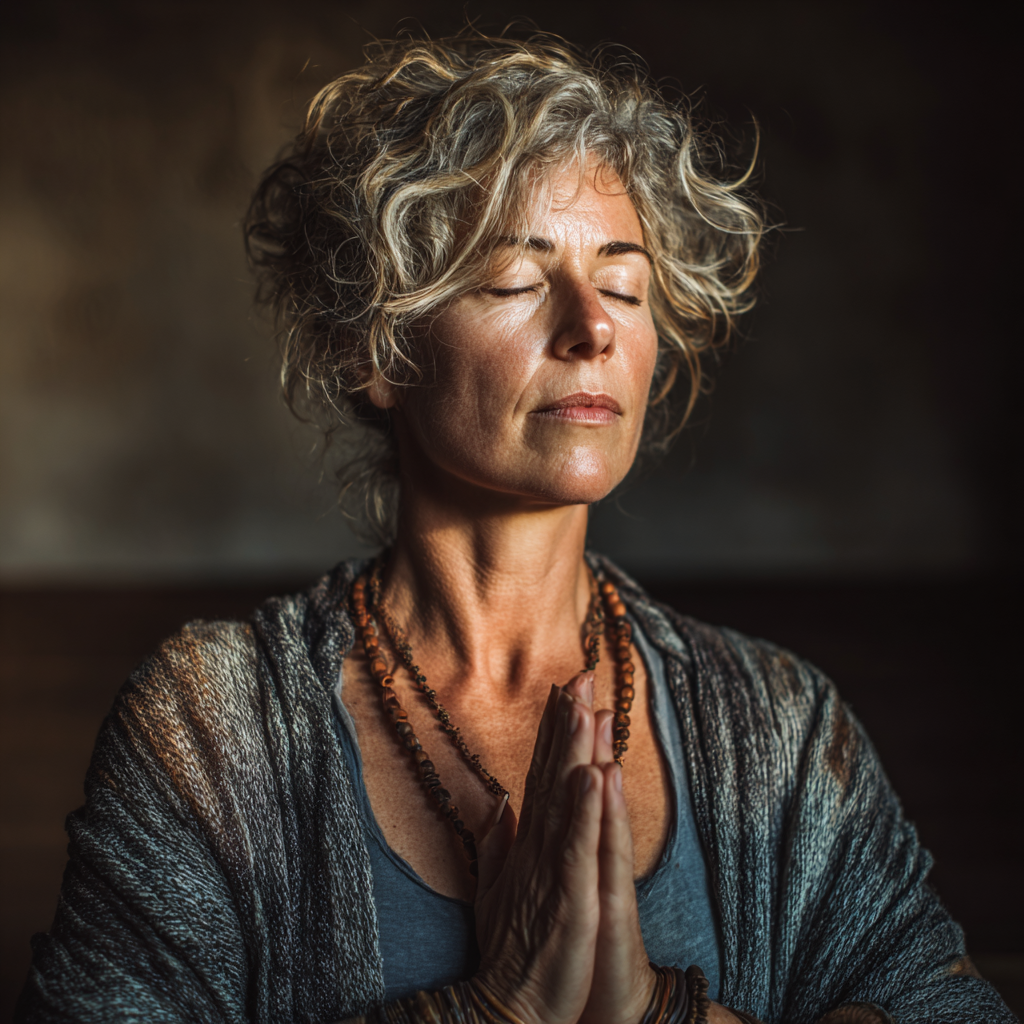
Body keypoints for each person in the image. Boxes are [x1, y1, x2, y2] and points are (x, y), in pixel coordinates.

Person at [16, 30, 1012, 1024]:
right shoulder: (212, 729)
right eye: (515, 280)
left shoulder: (778, 727)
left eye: (623, 282)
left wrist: (664, 1016)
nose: (593, 326)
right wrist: (489, 1009)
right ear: (378, 346)